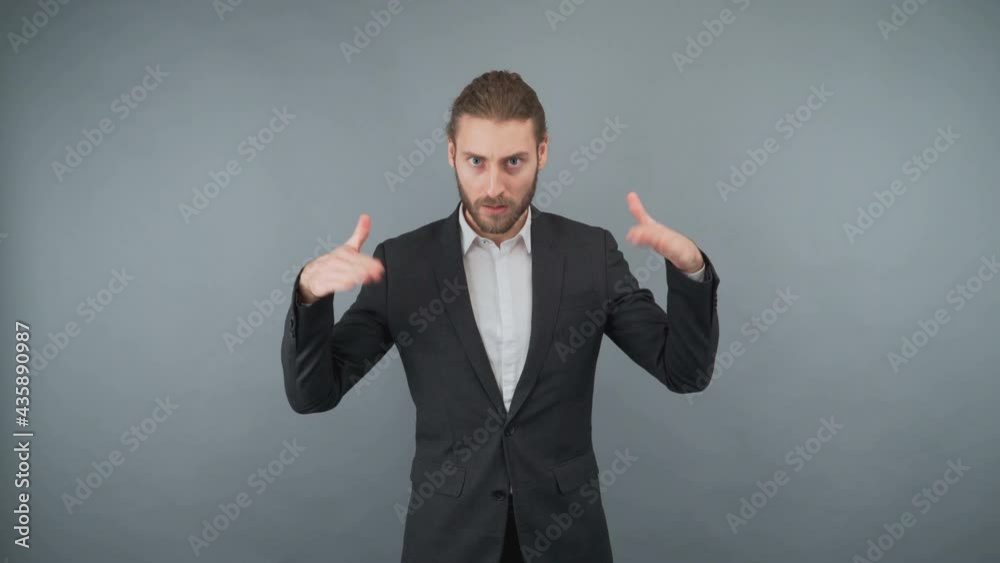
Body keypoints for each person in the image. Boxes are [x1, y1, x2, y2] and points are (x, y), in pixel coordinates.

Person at [280, 70, 720, 563]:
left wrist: (691, 270)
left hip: (567, 537)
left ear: (542, 153)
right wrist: (310, 295)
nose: (494, 187)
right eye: (476, 161)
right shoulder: (403, 264)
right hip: (448, 540)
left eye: (513, 162)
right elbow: (313, 395)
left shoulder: (590, 254)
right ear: (451, 154)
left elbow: (684, 372)